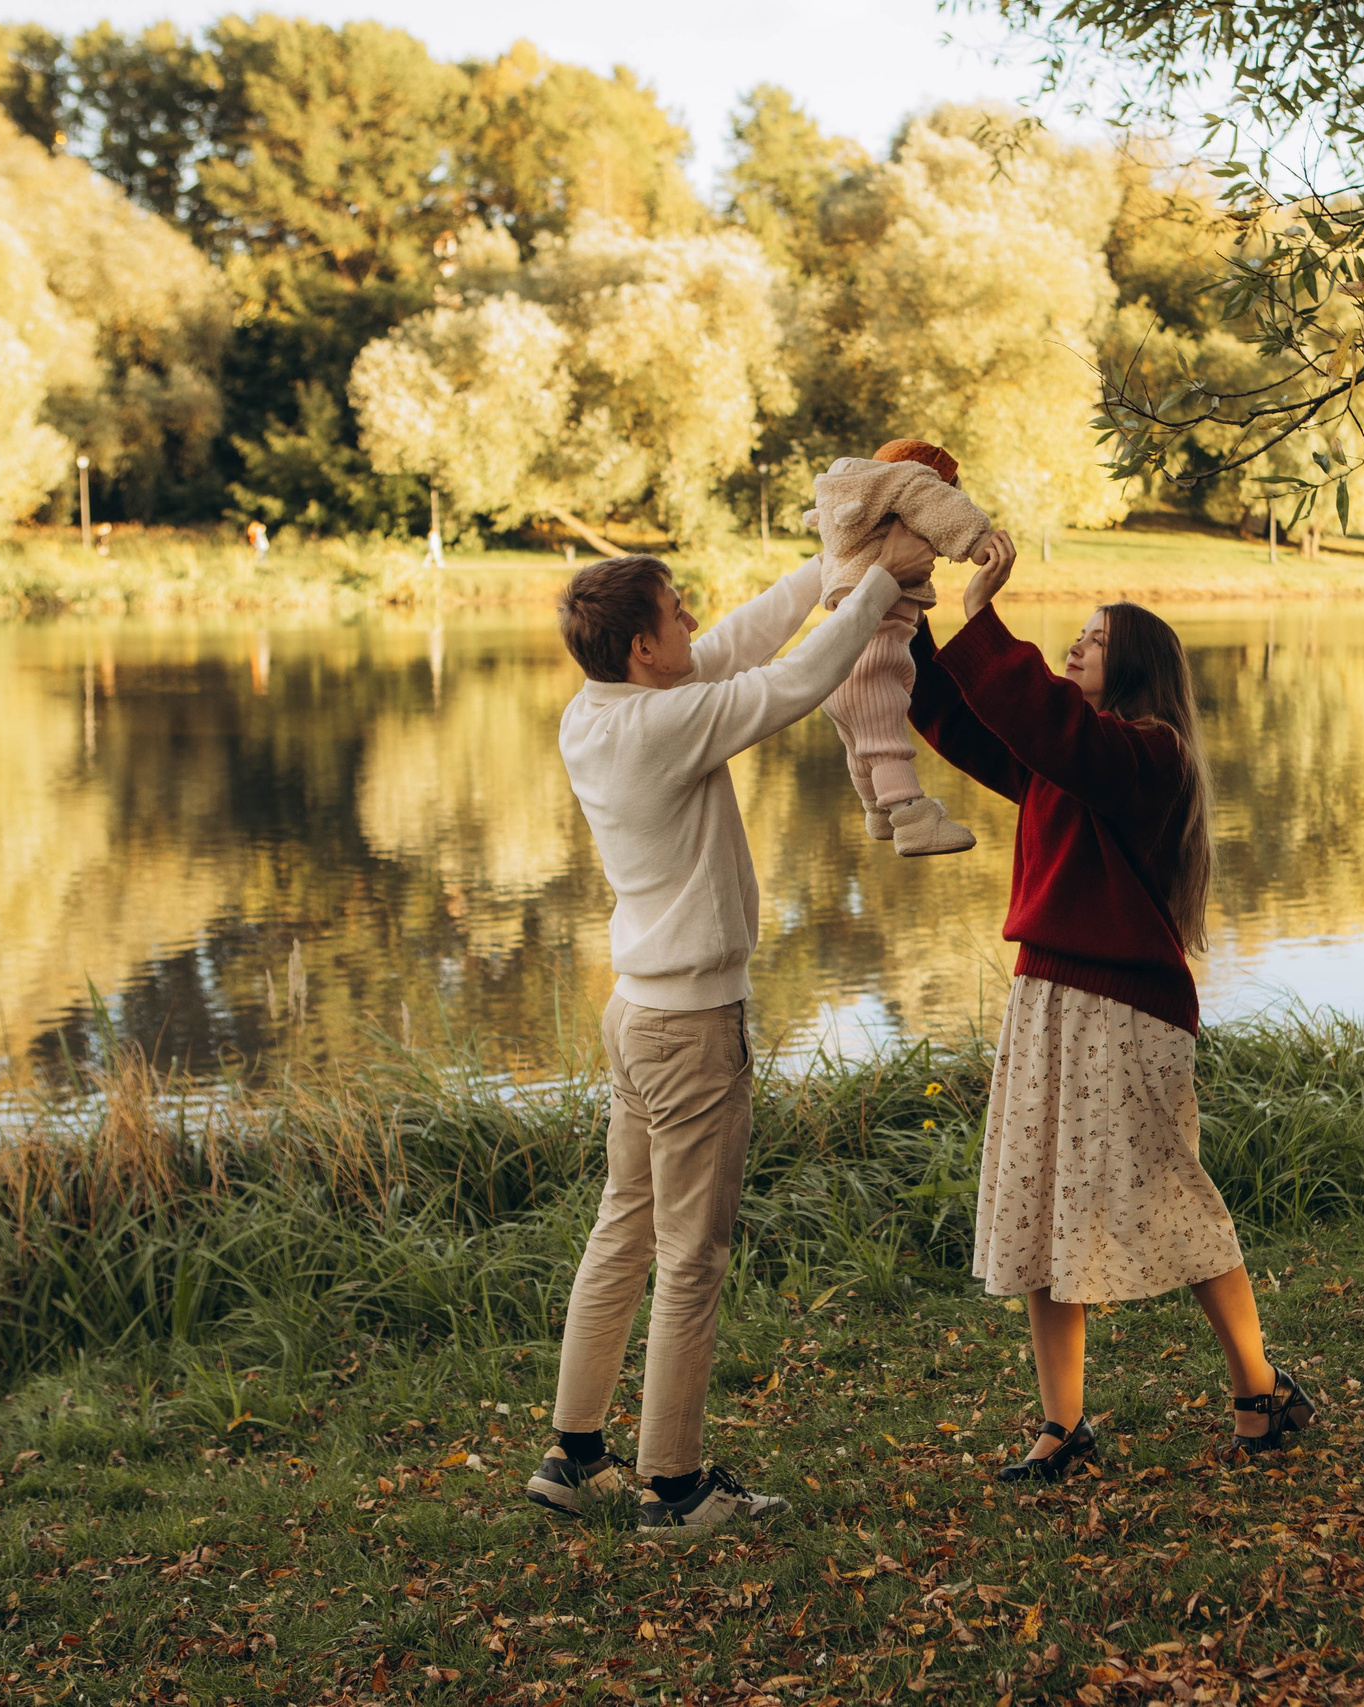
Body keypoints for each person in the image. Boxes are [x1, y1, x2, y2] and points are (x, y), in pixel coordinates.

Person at [529, 536, 1013, 1534]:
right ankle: (674, 1487)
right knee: (690, 1257)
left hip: (637, 1014)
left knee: (623, 1229)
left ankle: (574, 1458)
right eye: (674, 616)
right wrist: (882, 585)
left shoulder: (600, 711)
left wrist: (833, 564)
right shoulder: (668, 725)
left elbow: (743, 641)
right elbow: (796, 677)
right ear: (641, 650)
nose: (692, 625)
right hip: (691, 1027)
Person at [907, 555, 1316, 1482]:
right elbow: (968, 723)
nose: (1073, 650)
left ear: (1132, 668)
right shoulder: (1064, 754)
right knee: (1040, 1207)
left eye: (1091, 643)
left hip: (1127, 1009)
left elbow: (1044, 721)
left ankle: (1260, 1390)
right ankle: (1063, 1428)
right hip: (1046, 997)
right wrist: (910, 631)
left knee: (1173, 1193)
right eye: (1075, 639)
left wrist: (984, 619)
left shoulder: (1146, 754)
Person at [809, 439, 1000, 855]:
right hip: (874, 652)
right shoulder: (911, 485)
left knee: (861, 747)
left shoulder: (849, 509)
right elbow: (938, 507)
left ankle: (878, 814)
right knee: (885, 744)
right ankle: (913, 821)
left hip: (836, 656)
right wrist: (977, 539)